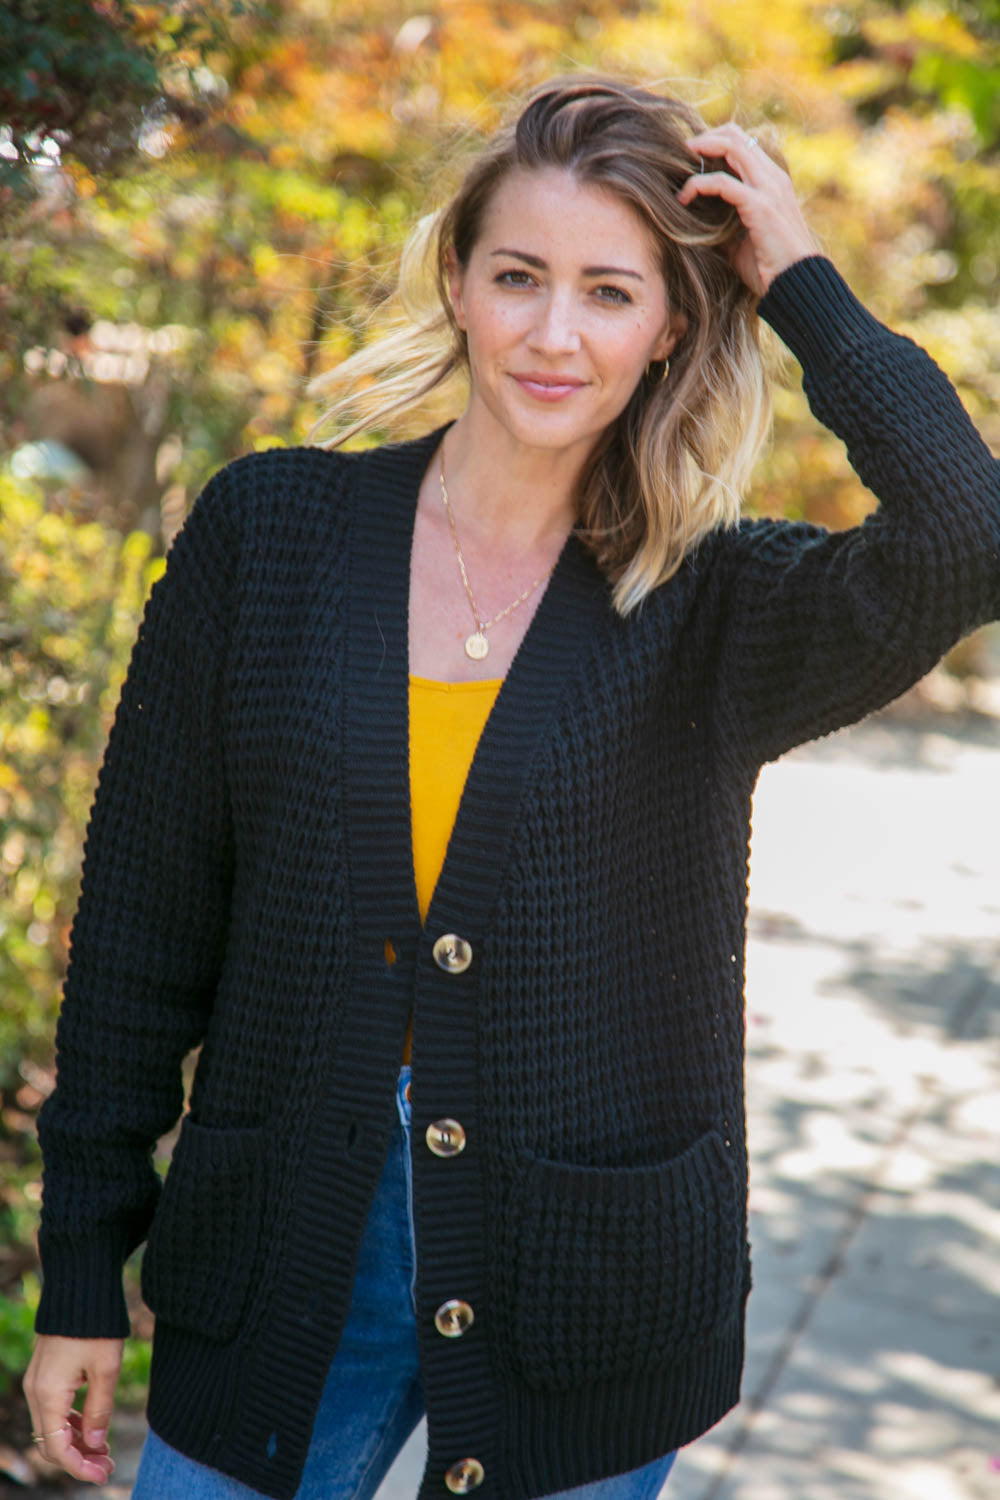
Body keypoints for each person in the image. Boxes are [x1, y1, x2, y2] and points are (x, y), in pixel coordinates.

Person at [23, 71, 1000, 1500]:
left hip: (580, 1276)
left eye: (611, 292)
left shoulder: (711, 605)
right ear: (459, 286)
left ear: (674, 324)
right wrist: (79, 1273)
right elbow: (135, 938)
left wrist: (797, 279)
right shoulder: (268, 536)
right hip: (288, 1227)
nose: (554, 333)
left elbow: (967, 539)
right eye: (519, 277)